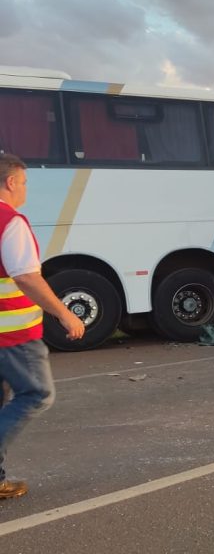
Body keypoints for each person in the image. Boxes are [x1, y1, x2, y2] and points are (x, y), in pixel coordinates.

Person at [0, 153, 84, 499]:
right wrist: (64, 313)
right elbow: (27, 277)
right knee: (37, 393)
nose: (25, 189)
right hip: (13, 335)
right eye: (24, 182)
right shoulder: (10, 221)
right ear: (10, 182)